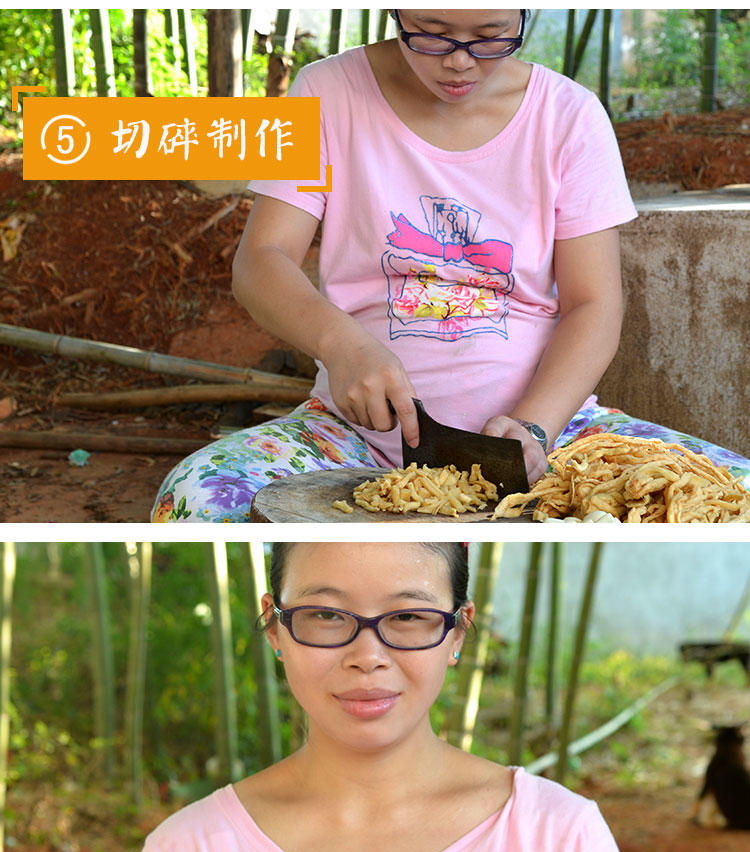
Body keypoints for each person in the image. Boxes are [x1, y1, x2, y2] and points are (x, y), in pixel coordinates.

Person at [151, 9, 749, 523]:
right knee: (197, 498)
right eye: (432, 34)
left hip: (555, 439)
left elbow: (595, 303)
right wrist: (343, 346)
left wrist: (535, 430)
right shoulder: (326, 93)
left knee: (732, 496)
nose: (460, 62)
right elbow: (261, 260)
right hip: (347, 438)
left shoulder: (569, 117)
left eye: (491, 36)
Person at [82, 542, 661, 852]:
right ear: (275, 627)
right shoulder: (188, 851)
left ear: (457, 632)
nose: (367, 654)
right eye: (327, 614)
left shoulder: (558, 831)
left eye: (408, 615)